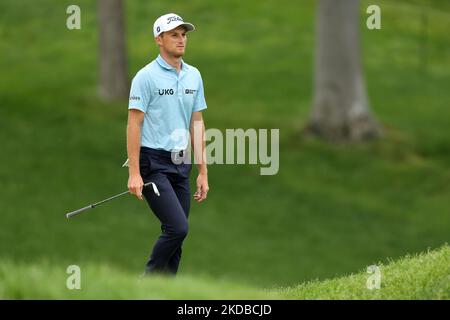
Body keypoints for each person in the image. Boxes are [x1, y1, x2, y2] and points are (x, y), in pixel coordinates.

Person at [126, 13, 209, 275]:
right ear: (159, 39)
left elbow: (197, 123)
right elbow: (133, 124)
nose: (181, 39)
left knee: (176, 235)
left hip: (181, 163)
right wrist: (135, 173)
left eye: (183, 34)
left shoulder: (194, 76)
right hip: (154, 164)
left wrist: (203, 171)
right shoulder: (145, 77)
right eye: (174, 34)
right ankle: (144, 283)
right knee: (177, 228)